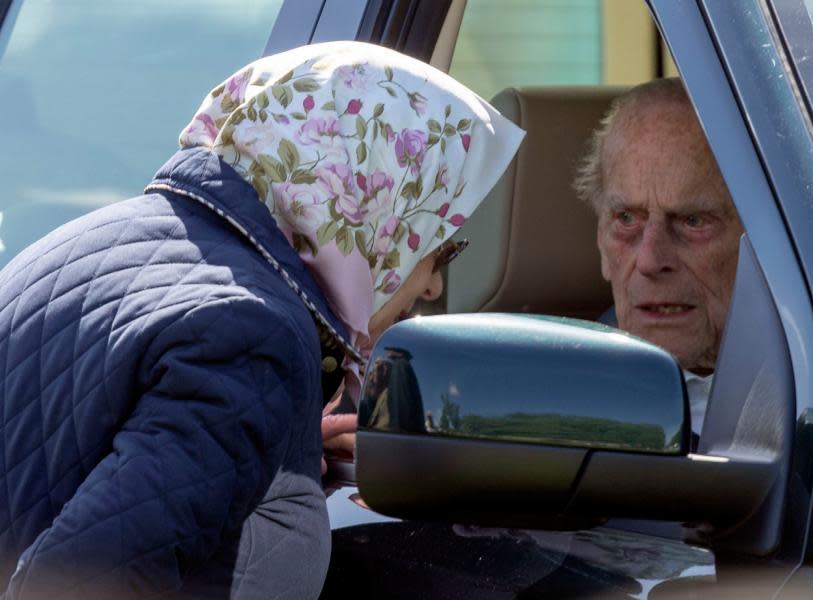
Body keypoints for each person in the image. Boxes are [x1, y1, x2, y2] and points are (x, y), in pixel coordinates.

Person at [0, 41, 523, 598]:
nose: (433, 284)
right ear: (378, 209)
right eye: (438, 246)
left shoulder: (92, 240)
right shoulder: (255, 339)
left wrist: (271, 439)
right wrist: (259, 399)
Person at [575, 78, 743, 436]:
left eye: (693, 221)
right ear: (601, 242)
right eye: (626, 219)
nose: (651, 260)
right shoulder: (565, 407)